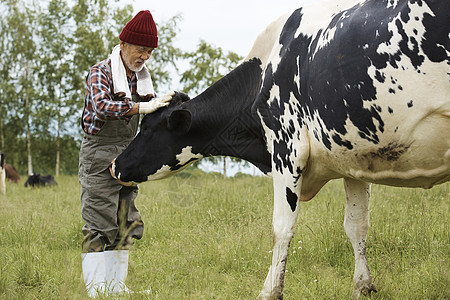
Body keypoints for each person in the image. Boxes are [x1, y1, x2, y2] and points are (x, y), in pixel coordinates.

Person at [78, 10, 173, 297]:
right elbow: (101, 106)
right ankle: (96, 291)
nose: (144, 56)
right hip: (98, 153)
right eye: (140, 49)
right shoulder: (101, 72)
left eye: (149, 51)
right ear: (123, 45)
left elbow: (151, 107)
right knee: (98, 221)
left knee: (124, 221)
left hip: (128, 153)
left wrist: (164, 106)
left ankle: (116, 288)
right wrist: (142, 107)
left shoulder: (141, 78)